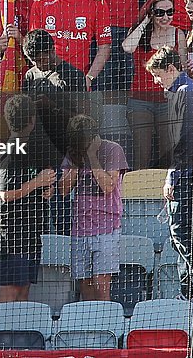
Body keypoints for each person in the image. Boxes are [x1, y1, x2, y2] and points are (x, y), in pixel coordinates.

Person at [146, 46, 193, 300]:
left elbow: (185, 140)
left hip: (189, 172)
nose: (156, 80)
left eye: (158, 74)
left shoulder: (186, 92)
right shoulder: (188, 91)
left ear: (171, 68)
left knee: (179, 228)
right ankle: (191, 289)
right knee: (179, 231)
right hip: (192, 170)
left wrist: (172, 176)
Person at [0, 95, 56, 302]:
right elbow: (6, 193)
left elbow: (32, 182)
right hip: (11, 234)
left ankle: (19, 334)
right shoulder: (12, 150)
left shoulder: (31, 148)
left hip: (30, 231)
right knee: (11, 290)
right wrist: (38, 181)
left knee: (23, 289)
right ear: (32, 120)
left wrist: (46, 188)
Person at [60, 114, 128, 301]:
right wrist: (76, 161)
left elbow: (107, 186)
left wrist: (91, 156)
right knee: (84, 284)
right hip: (80, 228)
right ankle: (89, 328)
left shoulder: (113, 150)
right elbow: (64, 190)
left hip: (106, 227)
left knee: (101, 284)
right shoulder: (73, 154)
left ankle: (104, 325)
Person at [122, 0, 187, 168]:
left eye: (170, 12)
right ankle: (137, 195)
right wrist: (145, 22)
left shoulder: (178, 34)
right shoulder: (142, 33)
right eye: (159, 12)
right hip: (140, 101)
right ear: (151, 13)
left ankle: (165, 193)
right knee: (141, 154)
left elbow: (183, 70)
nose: (165, 17)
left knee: (167, 153)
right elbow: (127, 47)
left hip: (168, 101)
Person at [31, 0, 111, 90]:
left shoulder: (96, 3)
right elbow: (34, 48)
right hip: (48, 80)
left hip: (79, 79)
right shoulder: (40, 4)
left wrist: (89, 78)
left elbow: (104, 47)